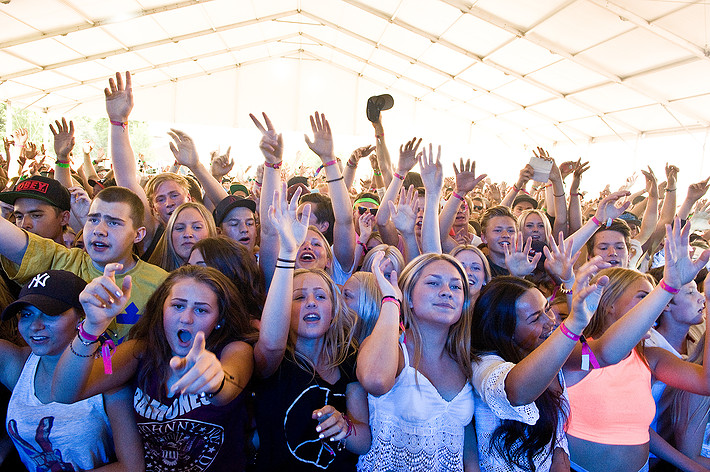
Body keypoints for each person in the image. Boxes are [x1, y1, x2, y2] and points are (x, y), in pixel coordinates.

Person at [51, 264, 256, 472]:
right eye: (177, 306)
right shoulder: (139, 351)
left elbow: (229, 386)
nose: (186, 318)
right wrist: (92, 327)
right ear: (162, 309)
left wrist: (215, 382)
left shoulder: (235, 349)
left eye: (201, 310)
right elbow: (64, 393)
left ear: (219, 320)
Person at [565, 219, 710, 472]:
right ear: (609, 303)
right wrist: (668, 287)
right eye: (644, 298)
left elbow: (705, 383)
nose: (653, 309)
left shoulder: (650, 357)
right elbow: (607, 354)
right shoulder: (573, 352)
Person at [252, 184, 369, 471]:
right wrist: (288, 252)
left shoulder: (349, 359)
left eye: (321, 296)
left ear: (333, 310)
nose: (311, 303)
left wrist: (345, 426)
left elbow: (364, 440)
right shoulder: (273, 363)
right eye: (299, 297)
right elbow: (271, 343)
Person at [470, 250, 608, 471]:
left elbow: (603, 355)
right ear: (505, 331)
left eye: (547, 309)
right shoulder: (483, 364)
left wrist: (668, 288)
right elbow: (517, 392)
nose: (551, 321)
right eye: (536, 318)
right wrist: (573, 325)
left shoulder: (547, 353)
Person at [0, 270, 143, 471]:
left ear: (81, 316)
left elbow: (132, 467)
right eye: (26, 314)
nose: (35, 326)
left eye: (49, 314)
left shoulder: (108, 371)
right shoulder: (17, 363)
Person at [356, 251, 477, 471]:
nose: (446, 293)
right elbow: (375, 381)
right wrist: (391, 300)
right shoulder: (393, 350)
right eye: (433, 283)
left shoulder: (463, 359)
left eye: (456, 287)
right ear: (409, 297)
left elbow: (466, 444)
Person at [0, 186, 167, 342]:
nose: (99, 230)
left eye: (113, 222)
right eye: (93, 219)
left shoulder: (162, 283)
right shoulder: (63, 262)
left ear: (138, 235)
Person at [188, 236, 265, 322]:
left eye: (201, 268)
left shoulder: (252, 327)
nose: (190, 275)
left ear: (226, 273)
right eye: (189, 267)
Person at [0, 175, 71, 245]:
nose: (24, 225)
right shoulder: (10, 255)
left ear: (63, 218)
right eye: (19, 217)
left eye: (36, 216)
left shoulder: (76, 256)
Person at [148, 202, 216, 272]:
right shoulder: (153, 275)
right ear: (169, 234)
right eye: (179, 228)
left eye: (197, 227)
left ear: (210, 230)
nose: (187, 234)